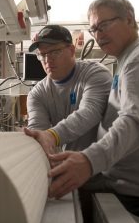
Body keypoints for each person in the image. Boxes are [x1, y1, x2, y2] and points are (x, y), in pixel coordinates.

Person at [25, 0, 139, 218]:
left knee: (59, 205)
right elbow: (39, 131)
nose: (99, 34)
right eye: (94, 29)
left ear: (129, 19)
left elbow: (133, 121)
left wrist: (88, 161)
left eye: (105, 25)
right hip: (124, 177)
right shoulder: (129, 57)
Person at [25, 25, 112, 157]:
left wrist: (52, 136)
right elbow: (39, 132)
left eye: (54, 52)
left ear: (71, 50)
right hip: (67, 166)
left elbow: (90, 112)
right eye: (42, 55)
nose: (48, 60)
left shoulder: (95, 74)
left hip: (101, 165)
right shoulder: (37, 94)